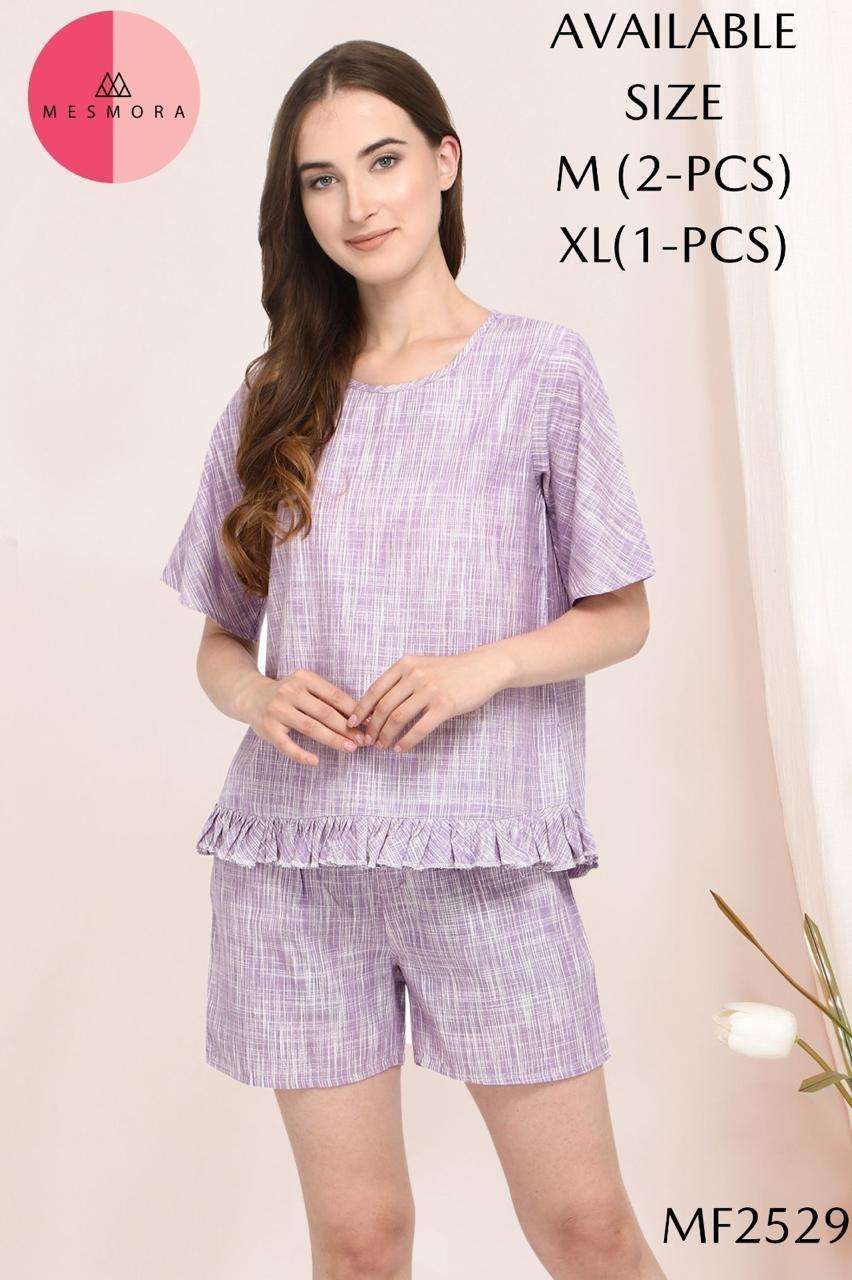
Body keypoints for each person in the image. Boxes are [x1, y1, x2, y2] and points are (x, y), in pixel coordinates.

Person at [161, 38, 665, 1280]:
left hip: (485, 854)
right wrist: (259, 692)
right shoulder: (275, 394)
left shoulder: (541, 370)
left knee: (588, 1231)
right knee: (360, 1238)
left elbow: (622, 613)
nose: (358, 202)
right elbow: (220, 637)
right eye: (321, 179)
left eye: (382, 161)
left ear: (444, 162)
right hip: (296, 863)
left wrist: (479, 668)